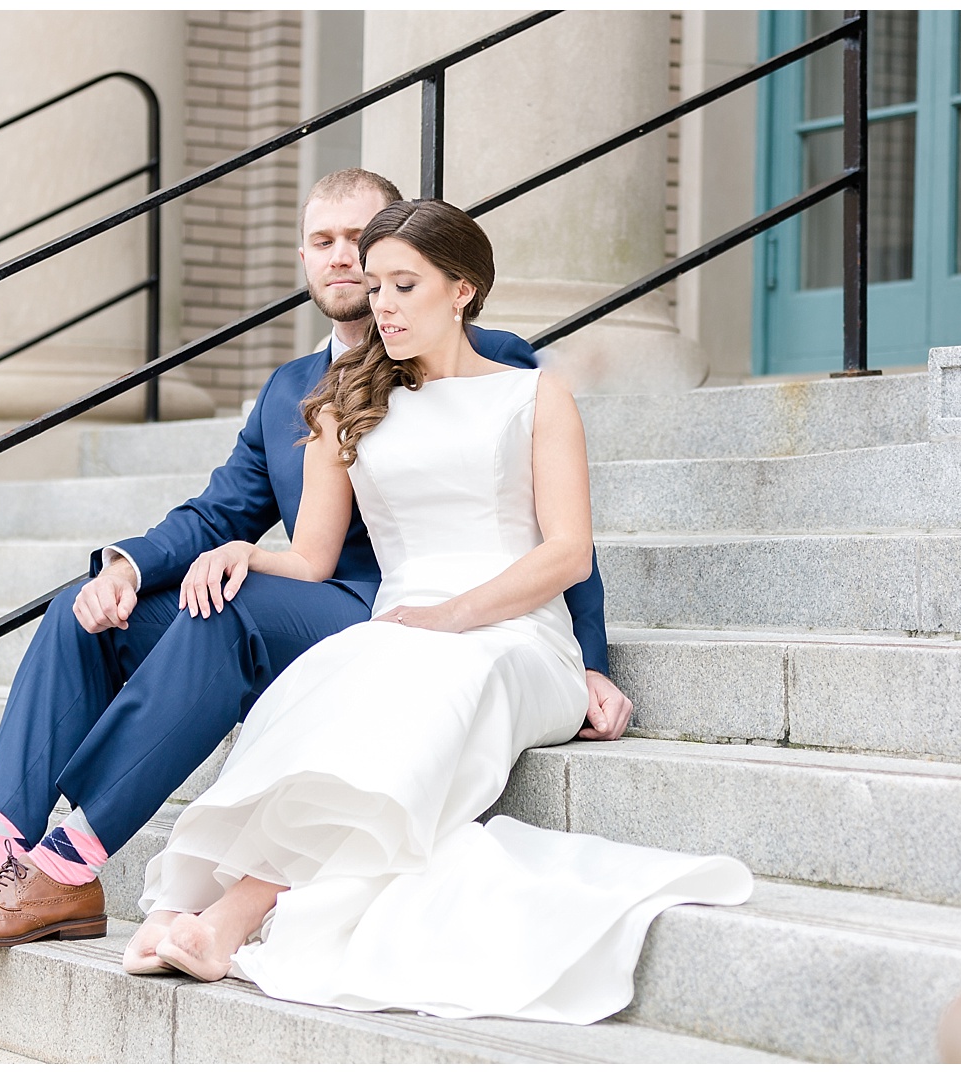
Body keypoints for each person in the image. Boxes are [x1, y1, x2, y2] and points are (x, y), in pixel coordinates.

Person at [0, 170, 633, 946]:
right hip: (305, 585)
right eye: (324, 241)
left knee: (229, 612)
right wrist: (128, 568)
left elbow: (554, 530)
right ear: (303, 257)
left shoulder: (498, 362)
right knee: (82, 615)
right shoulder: (294, 388)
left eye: (363, 241)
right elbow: (223, 509)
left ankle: (72, 861)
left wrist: (589, 660)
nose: (347, 262)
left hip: (378, 608)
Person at [127, 199, 752, 1023]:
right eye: (374, 284)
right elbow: (312, 558)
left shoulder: (536, 397)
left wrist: (457, 618)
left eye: (403, 284)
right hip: (401, 627)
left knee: (426, 682)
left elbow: (566, 554)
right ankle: (194, 903)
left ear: (462, 290)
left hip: (517, 637)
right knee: (328, 687)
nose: (379, 302)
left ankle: (236, 911)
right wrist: (246, 552)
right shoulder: (345, 401)